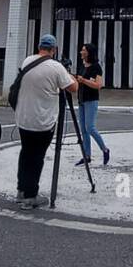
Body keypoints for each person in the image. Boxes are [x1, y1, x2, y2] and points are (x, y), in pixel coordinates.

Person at [12, 34, 78, 209]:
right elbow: (73, 88)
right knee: (37, 157)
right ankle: (30, 197)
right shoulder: (56, 67)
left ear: (39, 47)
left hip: (24, 118)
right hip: (42, 122)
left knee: (26, 153)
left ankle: (21, 191)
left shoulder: (27, 61)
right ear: (53, 50)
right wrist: (68, 73)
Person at [74, 42, 109, 166]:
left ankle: (105, 149)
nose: (81, 52)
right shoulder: (82, 66)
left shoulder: (96, 67)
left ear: (88, 52)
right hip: (81, 99)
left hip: (91, 100)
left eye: (83, 50)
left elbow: (98, 85)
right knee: (83, 130)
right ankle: (87, 155)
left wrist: (83, 80)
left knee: (90, 127)